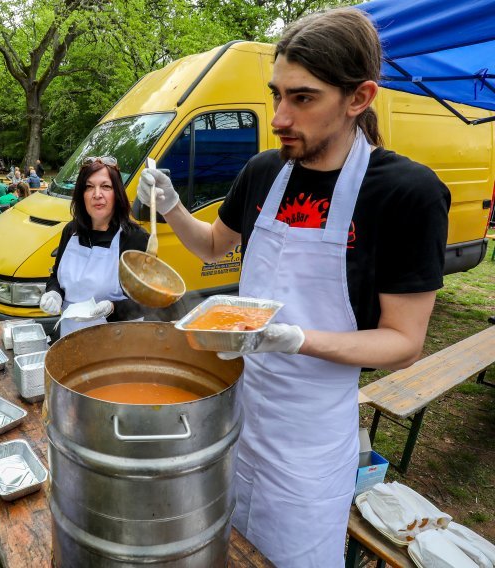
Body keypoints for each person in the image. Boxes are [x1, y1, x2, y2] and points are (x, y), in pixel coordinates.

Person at [136, 8, 450, 567]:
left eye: (302, 98)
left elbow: (403, 343)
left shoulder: (405, 193)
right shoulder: (263, 171)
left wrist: (294, 338)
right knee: (217, 545)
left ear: (359, 98)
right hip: (237, 409)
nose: (280, 116)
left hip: (310, 436)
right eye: (276, 94)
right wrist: (172, 204)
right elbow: (213, 246)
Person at [38, 156, 150, 337]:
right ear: (81, 195)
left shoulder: (134, 238)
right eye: (89, 187)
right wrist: (54, 293)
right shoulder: (71, 231)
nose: (97, 194)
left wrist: (113, 308)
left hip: (118, 343)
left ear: (117, 193)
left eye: (106, 186)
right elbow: (56, 277)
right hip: (71, 338)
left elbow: (147, 302)